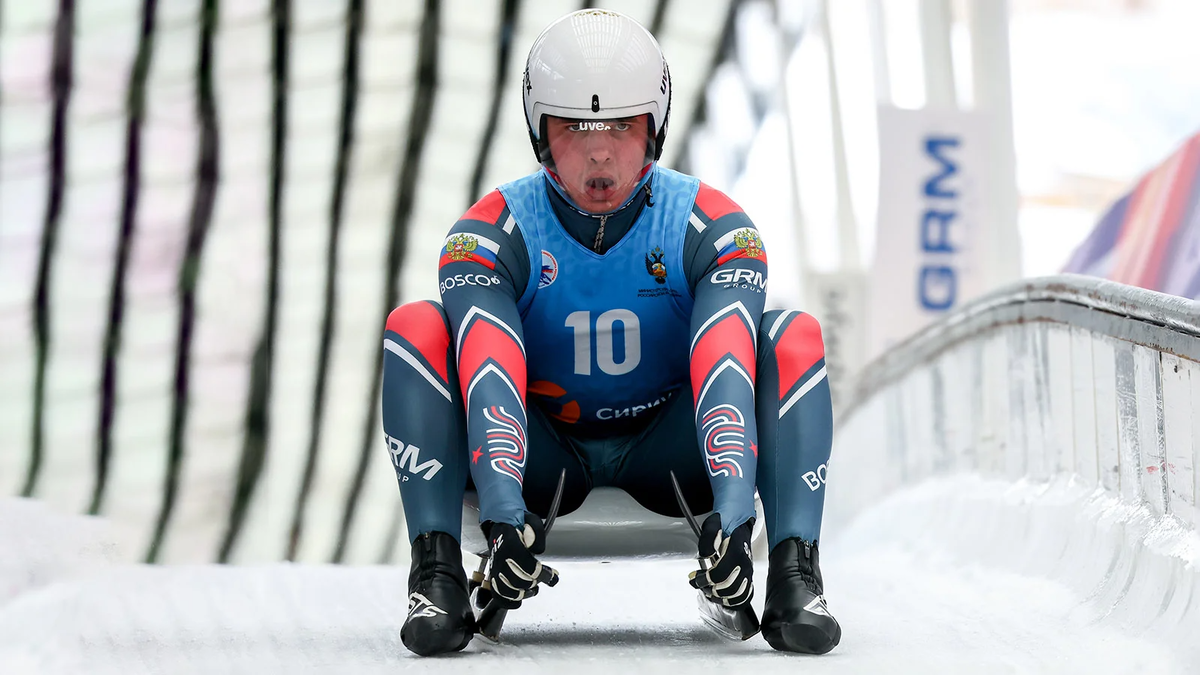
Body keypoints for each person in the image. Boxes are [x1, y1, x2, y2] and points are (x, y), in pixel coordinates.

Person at [381, 8, 839, 656]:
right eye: (574, 128)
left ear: (654, 126)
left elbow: (725, 364)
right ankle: (435, 573)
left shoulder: (713, 227)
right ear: (540, 132)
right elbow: (490, 369)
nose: (599, 154)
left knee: (790, 334)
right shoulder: (487, 235)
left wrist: (735, 513)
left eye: (621, 126)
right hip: (543, 453)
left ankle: (796, 573)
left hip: (671, 449)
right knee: (416, 326)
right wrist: (503, 512)